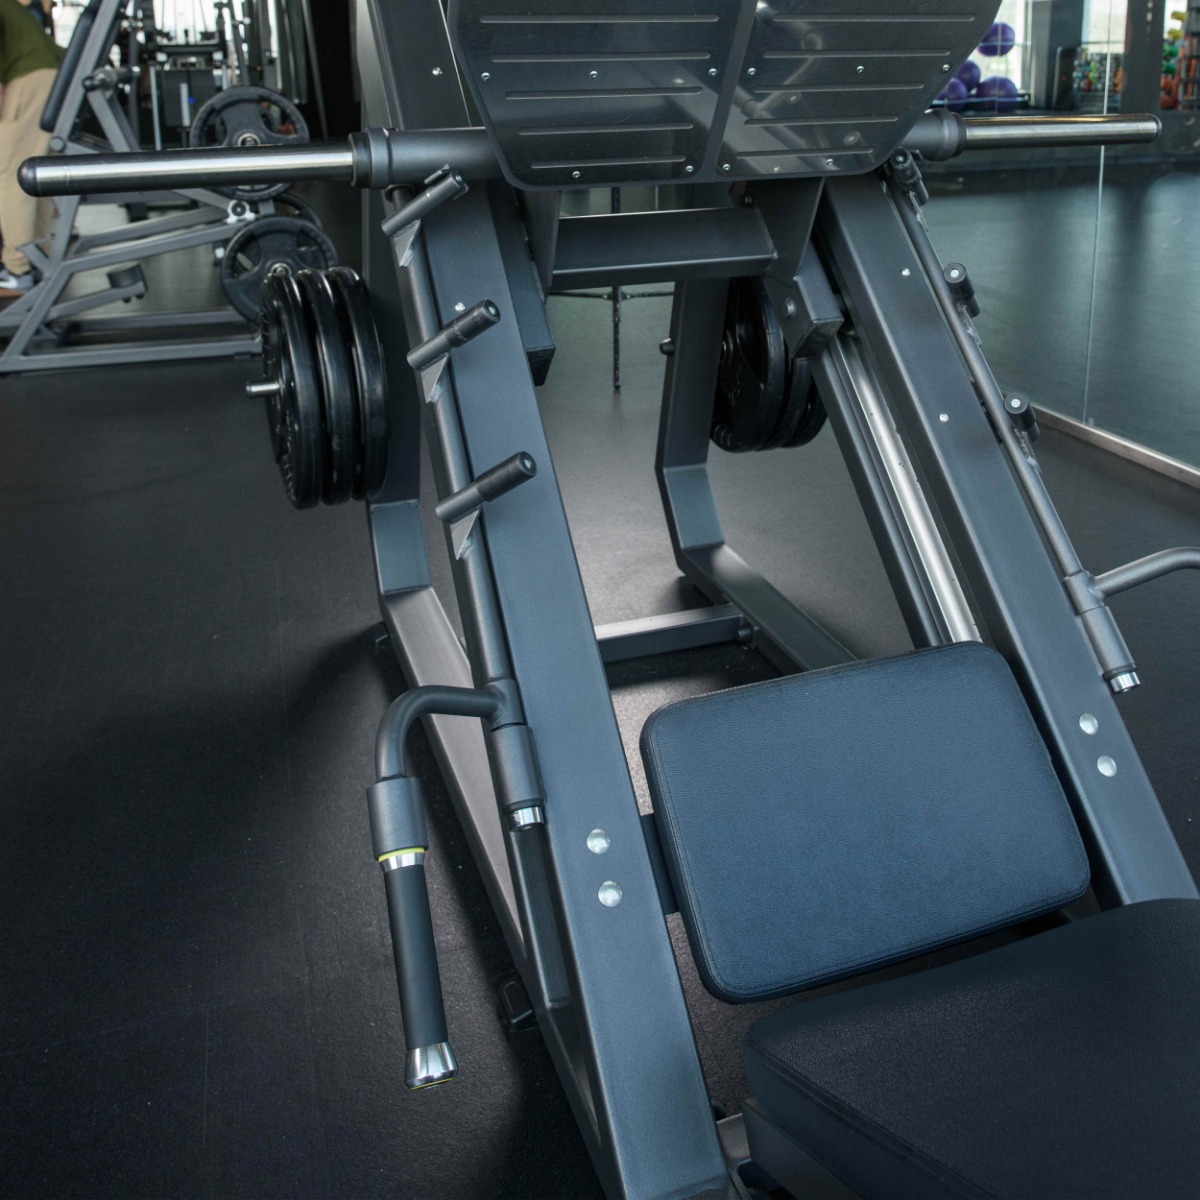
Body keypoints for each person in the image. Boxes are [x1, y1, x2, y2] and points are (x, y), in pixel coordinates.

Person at [0, 0, 63, 295]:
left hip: (28, 80)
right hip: (53, 78)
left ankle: (17, 269)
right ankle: (40, 257)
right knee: (38, 174)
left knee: (13, 175)